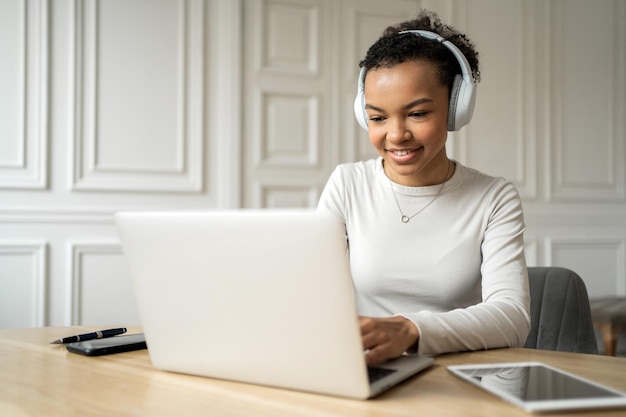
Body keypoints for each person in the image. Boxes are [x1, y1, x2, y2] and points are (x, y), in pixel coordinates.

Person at [317, 10, 531, 365]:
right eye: (378, 118)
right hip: (370, 370)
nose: (396, 134)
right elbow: (313, 291)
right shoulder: (347, 184)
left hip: (459, 376)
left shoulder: (494, 197)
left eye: (417, 114)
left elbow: (512, 317)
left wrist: (409, 330)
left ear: (455, 109)